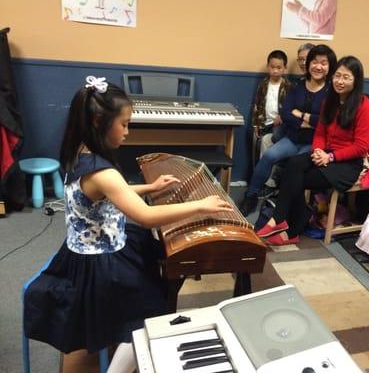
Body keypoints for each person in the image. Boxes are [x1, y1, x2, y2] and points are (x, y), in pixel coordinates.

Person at [23, 77, 232, 373]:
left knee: (153, 259)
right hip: (99, 265)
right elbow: (145, 217)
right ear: (99, 121)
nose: (127, 131)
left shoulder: (78, 153)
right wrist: (201, 205)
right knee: (153, 308)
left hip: (82, 252)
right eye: (124, 124)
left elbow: (107, 196)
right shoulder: (102, 172)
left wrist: (149, 188)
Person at [255, 56, 369, 245]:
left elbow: (360, 147)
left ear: (356, 80)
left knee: (297, 178)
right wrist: (319, 150)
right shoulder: (330, 100)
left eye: (346, 77)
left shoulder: (364, 105)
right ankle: (283, 220)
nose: (340, 81)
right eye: (337, 76)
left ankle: (290, 225)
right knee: (291, 165)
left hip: (347, 163)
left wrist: (331, 156)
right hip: (324, 154)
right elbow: (320, 132)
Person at [239, 45, 337, 216]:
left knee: (294, 166)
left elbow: (325, 121)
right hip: (292, 138)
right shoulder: (298, 86)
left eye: (324, 63)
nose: (318, 66)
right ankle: (251, 196)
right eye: (314, 62)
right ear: (309, 64)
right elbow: (286, 113)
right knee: (269, 155)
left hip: (315, 143)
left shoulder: (332, 91)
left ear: (330, 67)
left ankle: (288, 210)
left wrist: (300, 115)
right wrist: (308, 120)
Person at [251, 50, 292, 156]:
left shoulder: (288, 86)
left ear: (284, 68)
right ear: (267, 66)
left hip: (279, 124)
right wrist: (256, 125)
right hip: (264, 123)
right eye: (272, 67)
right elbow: (257, 104)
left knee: (272, 140)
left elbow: (291, 106)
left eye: (279, 68)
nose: (275, 71)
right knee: (257, 143)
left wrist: (282, 116)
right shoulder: (263, 84)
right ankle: (259, 168)